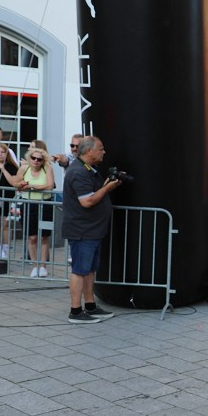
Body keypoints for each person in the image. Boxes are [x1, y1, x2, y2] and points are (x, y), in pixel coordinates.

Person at [61, 136, 120, 323]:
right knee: (80, 270)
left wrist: (108, 183)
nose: (104, 152)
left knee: (89, 270)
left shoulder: (88, 169)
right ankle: (76, 312)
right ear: (89, 151)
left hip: (92, 230)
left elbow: (93, 193)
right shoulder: (78, 172)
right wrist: (108, 188)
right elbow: (87, 201)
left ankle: (90, 306)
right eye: (101, 149)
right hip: (82, 230)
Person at [14, 146, 56, 277]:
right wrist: (22, 185)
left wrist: (31, 186)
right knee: (31, 237)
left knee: (44, 236)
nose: (36, 161)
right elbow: (16, 183)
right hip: (28, 204)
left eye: (39, 159)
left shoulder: (47, 168)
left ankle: (43, 266)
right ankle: (34, 265)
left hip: (45, 204)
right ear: (29, 158)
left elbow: (50, 185)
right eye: (34, 158)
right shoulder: (23, 168)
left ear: (43, 161)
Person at [0, 143, 20, 258]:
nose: (0, 155)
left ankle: (5, 249)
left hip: (8, 198)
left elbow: (13, 182)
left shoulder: (12, 166)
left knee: (5, 224)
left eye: (3, 152)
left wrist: (3, 169)